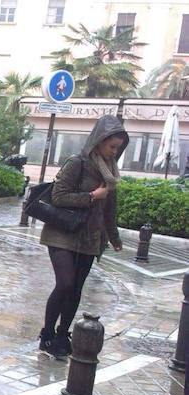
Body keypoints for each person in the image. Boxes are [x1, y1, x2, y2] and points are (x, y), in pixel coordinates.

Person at [39, 115, 126, 359]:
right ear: (99, 141)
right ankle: (46, 334)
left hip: (90, 237)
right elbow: (58, 196)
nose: (114, 151)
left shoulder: (111, 172)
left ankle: (61, 334)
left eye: (118, 148)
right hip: (63, 233)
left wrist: (115, 237)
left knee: (76, 289)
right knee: (65, 283)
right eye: (111, 146)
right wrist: (90, 196)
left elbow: (110, 209)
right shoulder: (77, 162)